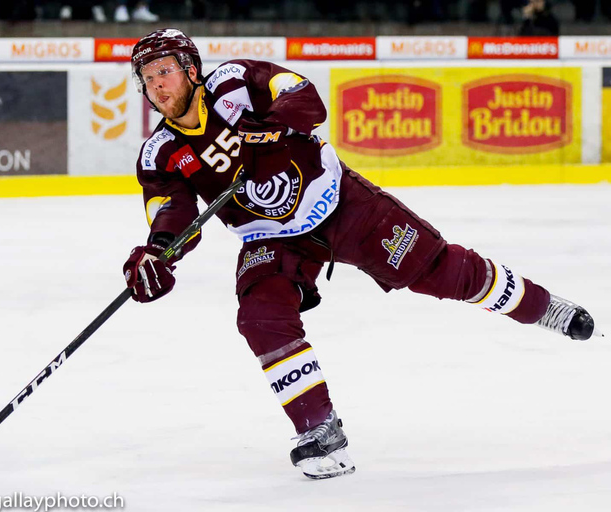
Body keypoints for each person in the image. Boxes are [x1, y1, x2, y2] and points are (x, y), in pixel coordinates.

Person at [123, 28, 601, 479]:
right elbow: (171, 212)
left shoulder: (237, 82)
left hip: (341, 204)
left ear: (190, 68)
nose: (157, 86)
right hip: (268, 239)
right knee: (259, 315)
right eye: (147, 79)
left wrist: (271, 129)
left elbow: (303, 94)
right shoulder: (159, 152)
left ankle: (544, 307)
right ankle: (320, 431)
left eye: (164, 71)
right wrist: (159, 254)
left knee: (442, 272)